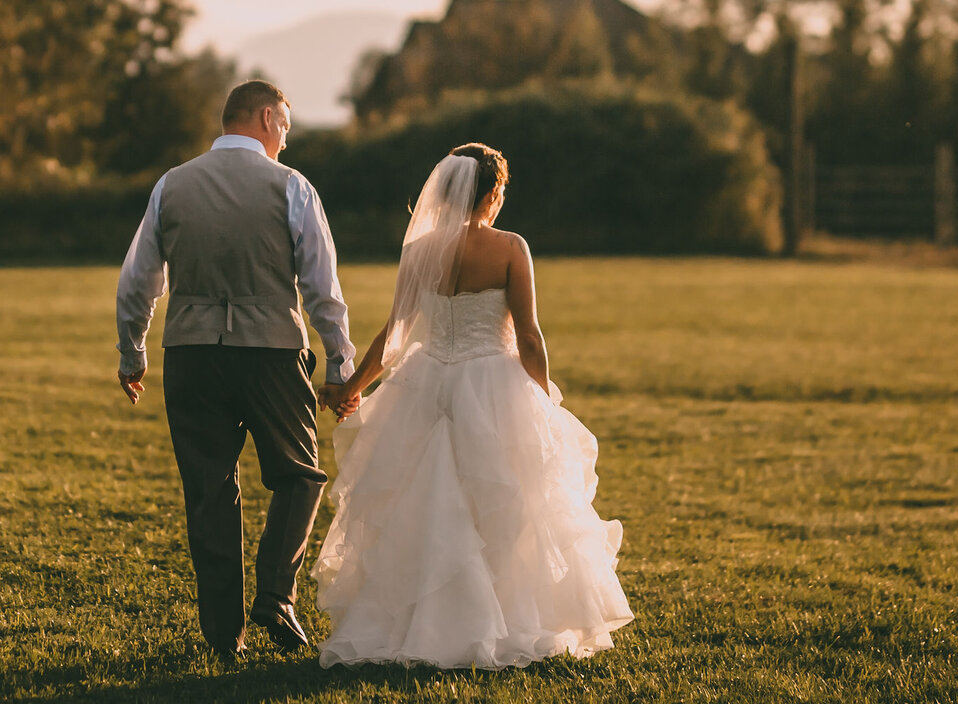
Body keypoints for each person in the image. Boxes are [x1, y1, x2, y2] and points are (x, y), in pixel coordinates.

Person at [314, 143, 632, 669]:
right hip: (494, 386)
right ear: (490, 194)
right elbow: (528, 335)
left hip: (427, 382)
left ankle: (421, 622)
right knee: (504, 507)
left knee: (426, 505)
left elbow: (395, 333)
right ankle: (505, 620)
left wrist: (354, 389)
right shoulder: (510, 247)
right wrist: (544, 395)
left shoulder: (421, 250)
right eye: (500, 192)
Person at [115, 80, 356, 664]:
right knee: (299, 475)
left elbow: (138, 280)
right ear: (267, 118)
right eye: (286, 129)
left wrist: (133, 353)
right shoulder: (292, 187)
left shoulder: (172, 185)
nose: (285, 142)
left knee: (209, 494)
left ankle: (224, 634)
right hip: (272, 352)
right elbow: (321, 287)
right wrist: (340, 361)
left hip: (191, 355)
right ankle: (276, 595)